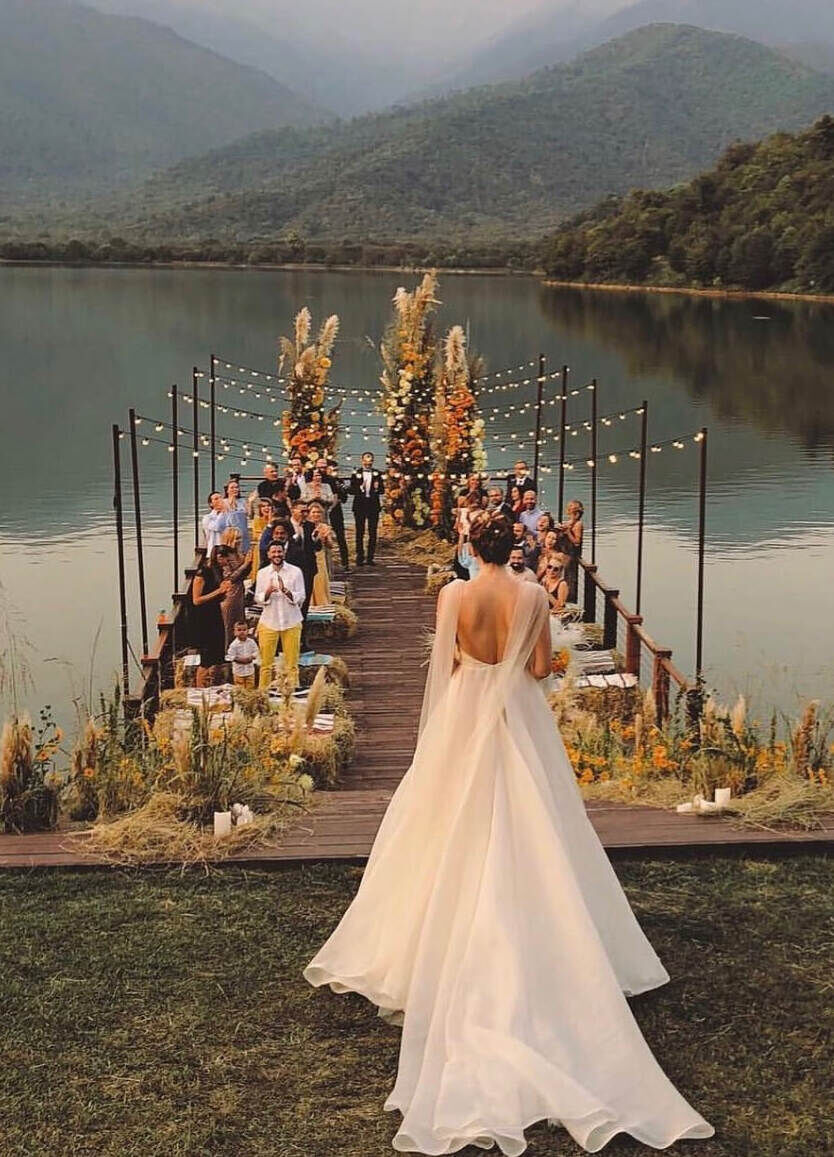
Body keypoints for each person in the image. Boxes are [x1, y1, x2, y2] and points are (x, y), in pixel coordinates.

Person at [304, 511, 714, 1154]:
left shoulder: (453, 595)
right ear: (514, 549)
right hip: (517, 715)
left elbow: (443, 667)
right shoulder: (529, 595)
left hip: (464, 710)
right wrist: (520, 659)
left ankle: (425, 942)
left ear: (470, 546)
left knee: (443, 818)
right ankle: (544, 924)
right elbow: (541, 670)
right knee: (537, 818)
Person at [255, 541, 305, 690]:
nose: (277, 555)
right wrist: (269, 591)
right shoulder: (262, 573)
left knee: (292, 664)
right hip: (269, 621)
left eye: (279, 552)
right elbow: (258, 598)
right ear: (269, 554)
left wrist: (286, 591)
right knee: (266, 664)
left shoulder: (296, 572)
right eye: (274, 552)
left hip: (291, 620)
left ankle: (291, 694)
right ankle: (263, 694)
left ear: (284, 553)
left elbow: (301, 597)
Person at [188, 551, 229, 687]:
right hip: (204, 617)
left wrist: (223, 593)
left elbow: (218, 596)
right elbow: (196, 600)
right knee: (206, 658)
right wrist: (219, 591)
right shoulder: (203, 573)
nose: (227, 562)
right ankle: (200, 689)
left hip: (215, 614)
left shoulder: (219, 573)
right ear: (218, 558)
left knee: (217, 653)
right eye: (225, 558)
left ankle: (213, 684)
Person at [214, 530, 252, 646]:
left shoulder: (238, 553)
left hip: (239, 591)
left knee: (239, 620)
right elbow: (230, 577)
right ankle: (227, 649)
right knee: (229, 624)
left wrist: (248, 564)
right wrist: (245, 564)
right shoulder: (225, 555)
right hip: (230, 594)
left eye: (240, 538)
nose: (238, 541)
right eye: (236, 539)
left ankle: (239, 647)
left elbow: (243, 574)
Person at [350, 451, 383, 566]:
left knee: (373, 532)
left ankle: (370, 558)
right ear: (362, 461)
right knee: (360, 532)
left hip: (373, 505)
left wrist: (377, 488)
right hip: (360, 506)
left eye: (370, 461)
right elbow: (351, 490)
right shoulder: (356, 473)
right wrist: (360, 488)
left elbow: (382, 490)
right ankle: (360, 557)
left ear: (373, 461)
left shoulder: (377, 474)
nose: (368, 463)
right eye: (366, 460)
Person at [308, 500, 333, 607]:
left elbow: (330, 545)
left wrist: (326, 537)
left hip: (320, 555)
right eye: (313, 512)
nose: (316, 515)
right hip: (308, 555)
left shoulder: (324, 527)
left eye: (318, 512)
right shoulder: (306, 526)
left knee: (320, 579)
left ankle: (321, 602)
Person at [558, 499, 585, 602]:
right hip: (565, 553)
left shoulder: (578, 524)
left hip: (572, 554)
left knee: (570, 578)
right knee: (564, 576)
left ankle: (569, 599)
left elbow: (577, 542)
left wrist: (568, 532)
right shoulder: (569, 522)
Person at [327, 457, 350, 571]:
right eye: (331, 469)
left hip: (336, 511)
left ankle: (345, 563)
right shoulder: (323, 481)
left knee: (341, 537)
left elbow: (344, 498)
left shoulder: (339, 481)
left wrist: (340, 495)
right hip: (323, 511)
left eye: (335, 469)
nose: (334, 471)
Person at [216, 479, 250, 553]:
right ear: (227, 490)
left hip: (243, 531)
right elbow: (220, 521)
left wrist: (250, 502)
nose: (235, 489)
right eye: (232, 488)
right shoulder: (223, 502)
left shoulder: (242, 501)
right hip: (230, 533)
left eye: (237, 487)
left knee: (244, 551)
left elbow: (249, 514)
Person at [225, 620, 260, 688]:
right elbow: (230, 656)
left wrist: (252, 657)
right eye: (239, 630)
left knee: (250, 688)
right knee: (240, 689)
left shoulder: (251, 642)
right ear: (235, 632)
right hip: (238, 672)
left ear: (248, 631)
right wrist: (238, 659)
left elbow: (256, 651)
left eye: (244, 630)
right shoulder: (234, 645)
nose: (242, 632)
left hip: (250, 671)